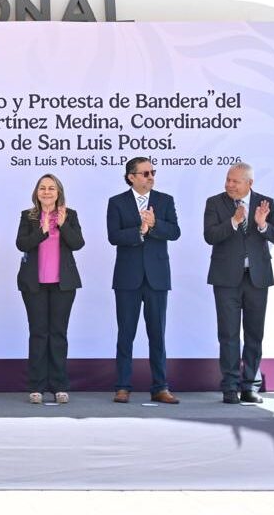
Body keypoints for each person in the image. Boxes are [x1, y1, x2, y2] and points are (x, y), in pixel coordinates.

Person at [202, 163, 274, 404]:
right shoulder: (215, 203)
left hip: (257, 279)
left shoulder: (264, 203)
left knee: (254, 334)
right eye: (228, 179)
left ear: (249, 183)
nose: (229, 184)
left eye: (235, 181)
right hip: (226, 279)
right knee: (227, 334)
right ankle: (229, 386)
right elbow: (209, 236)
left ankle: (250, 386)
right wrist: (234, 222)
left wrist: (262, 224)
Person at [106, 157, 181, 404]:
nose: (150, 177)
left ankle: (160, 386)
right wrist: (140, 231)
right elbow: (114, 236)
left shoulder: (165, 200)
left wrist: (155, 224)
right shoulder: (116, 202)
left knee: (157, 334)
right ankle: (122, 386)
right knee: (125, 334)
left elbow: (175, 232)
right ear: (131, 176)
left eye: (152, 172)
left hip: (157, 278)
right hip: (128, 279)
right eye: (145, 173)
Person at [15, 174, 84, 405]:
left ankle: (59, 385)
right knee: (38, 334)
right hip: (33, 284)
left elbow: (77, 243)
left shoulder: (69, 215)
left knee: (58, 334)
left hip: (63, 284)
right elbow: (22, 244)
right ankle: (36, 386)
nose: (46, 192)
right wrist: (43, 230)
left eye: (51, 188)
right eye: (42, 188)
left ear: (58, 192)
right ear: (36, 192)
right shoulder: (28, 216)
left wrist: (62, 225)